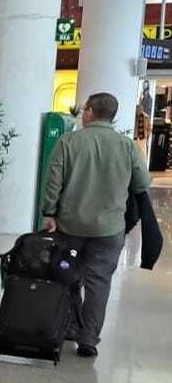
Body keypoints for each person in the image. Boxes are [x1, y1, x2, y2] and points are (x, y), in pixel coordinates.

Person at [41, 92, 152, 357]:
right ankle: (88, 339)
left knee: (67, 276)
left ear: (90, 111)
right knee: (99, 282)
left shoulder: (69, 142)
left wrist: (49, 212)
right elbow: (142, 183)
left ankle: (68, 326)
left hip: (70, 226)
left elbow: (54, 181)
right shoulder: (126, 146)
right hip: (109, 229)